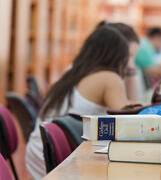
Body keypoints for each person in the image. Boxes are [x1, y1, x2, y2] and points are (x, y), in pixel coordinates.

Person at [26, 25, 139, 179]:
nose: (131, 64)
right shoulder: (109, 78)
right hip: (59, 165)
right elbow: (130, 122)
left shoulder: (75, 71)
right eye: (129, 56)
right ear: (119, 54)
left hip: (40, 156)